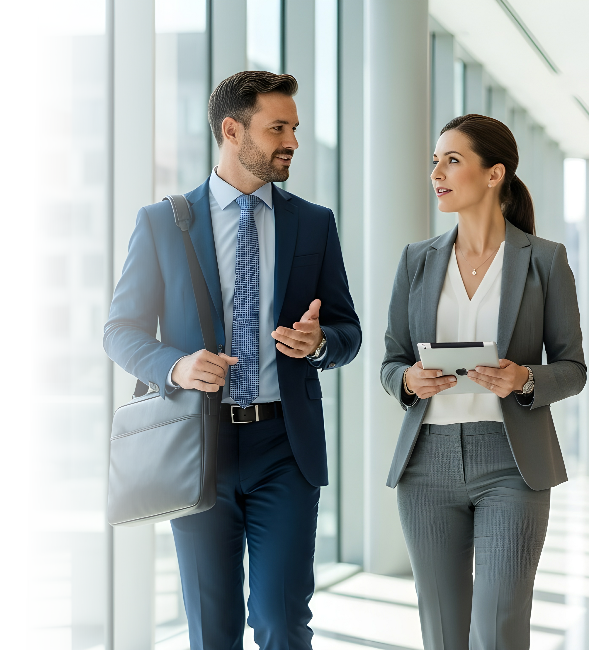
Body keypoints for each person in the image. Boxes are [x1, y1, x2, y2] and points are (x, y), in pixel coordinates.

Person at [104, 71, 361, 650]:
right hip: (198, 449)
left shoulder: (313, 223)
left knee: (281, 620)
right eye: (278, 128)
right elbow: (120, 331)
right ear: (231, 129)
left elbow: (349, 331)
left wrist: (318, 344)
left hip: (285, 450)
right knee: (212, 629)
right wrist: (176, 366)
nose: (291, 140)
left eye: (294, 127)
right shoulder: (162, 223)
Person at [381, 114, 586, 650]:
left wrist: (524, 378)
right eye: (435, 161)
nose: (437, 173)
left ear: (495, 174)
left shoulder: (544, 260)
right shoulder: (416, 261)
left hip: (511, 465)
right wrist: (407, 380)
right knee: (444, 632)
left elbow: (573, 368)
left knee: (498, 628)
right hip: (425, 464)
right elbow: (391, 362)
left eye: (453, 160)